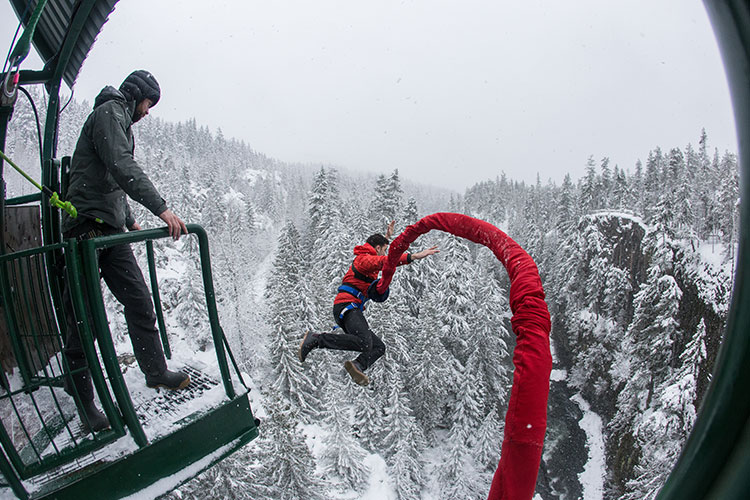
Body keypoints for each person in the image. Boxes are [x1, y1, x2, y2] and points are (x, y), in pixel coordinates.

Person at [61, 70, 190, 432]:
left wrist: (129, 218)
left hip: (109, 227)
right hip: (85, 227)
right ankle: (83, 396)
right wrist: (160, 208)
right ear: (136, 95)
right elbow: (120, 164)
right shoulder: (108, 113)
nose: (148, 112)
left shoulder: (120, 119)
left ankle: (155, 371)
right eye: (149, 103)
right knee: (83, 317)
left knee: (137, 297)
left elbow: (110, 178)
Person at [298, 221, 439, 386]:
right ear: (377, 248)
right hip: (346, 307)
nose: (384, 253)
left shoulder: (370, 255)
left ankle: (358, 365)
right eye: (383, 249)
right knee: (365, 342)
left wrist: (387, 237)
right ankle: (315, 339)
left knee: (378, 347)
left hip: (352, 308)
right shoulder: (363, 259)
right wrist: (412, 256)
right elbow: (382, 261)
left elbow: (379, 254)